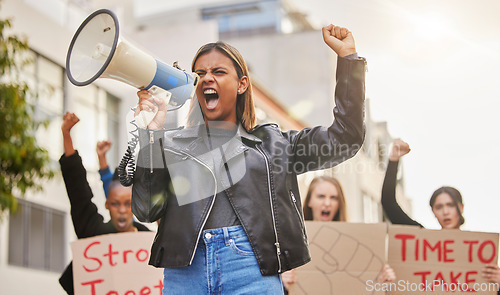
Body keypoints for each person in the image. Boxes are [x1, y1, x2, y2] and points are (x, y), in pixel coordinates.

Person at [131, 24, 366, 294]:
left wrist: (349, 61)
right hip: (186, 275)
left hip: (249, 272)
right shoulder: (169, 144)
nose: (208, 78)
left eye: (218, 72)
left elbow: (345, 139)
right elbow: (146, 210)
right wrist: (151, 136)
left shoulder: (276, 146)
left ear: (242, 84)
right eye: (200, 74)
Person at [381, 139, 500, 291]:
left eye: (450, 205)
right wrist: (394, 159)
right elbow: (389, 203)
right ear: (433, 212)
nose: (445, 211)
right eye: (439, 207)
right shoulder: (422, 241)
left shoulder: (479, 254)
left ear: (461, 208)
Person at [58, 112, 150, 295]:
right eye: (116, 204)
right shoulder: (93, 233)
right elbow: (78, 193)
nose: (122, 211)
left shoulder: (148, 243)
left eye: (128, 203)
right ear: (107, 205)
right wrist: (66, 135)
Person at [281, 176, 396, 292]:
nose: (327, 203)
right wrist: (283, 284)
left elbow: (367, 281)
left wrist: (383, 281)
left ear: (339, 203)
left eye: (333, 198)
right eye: (321, 196)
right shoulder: (291, 240)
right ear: (309, 201)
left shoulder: (353, 244)